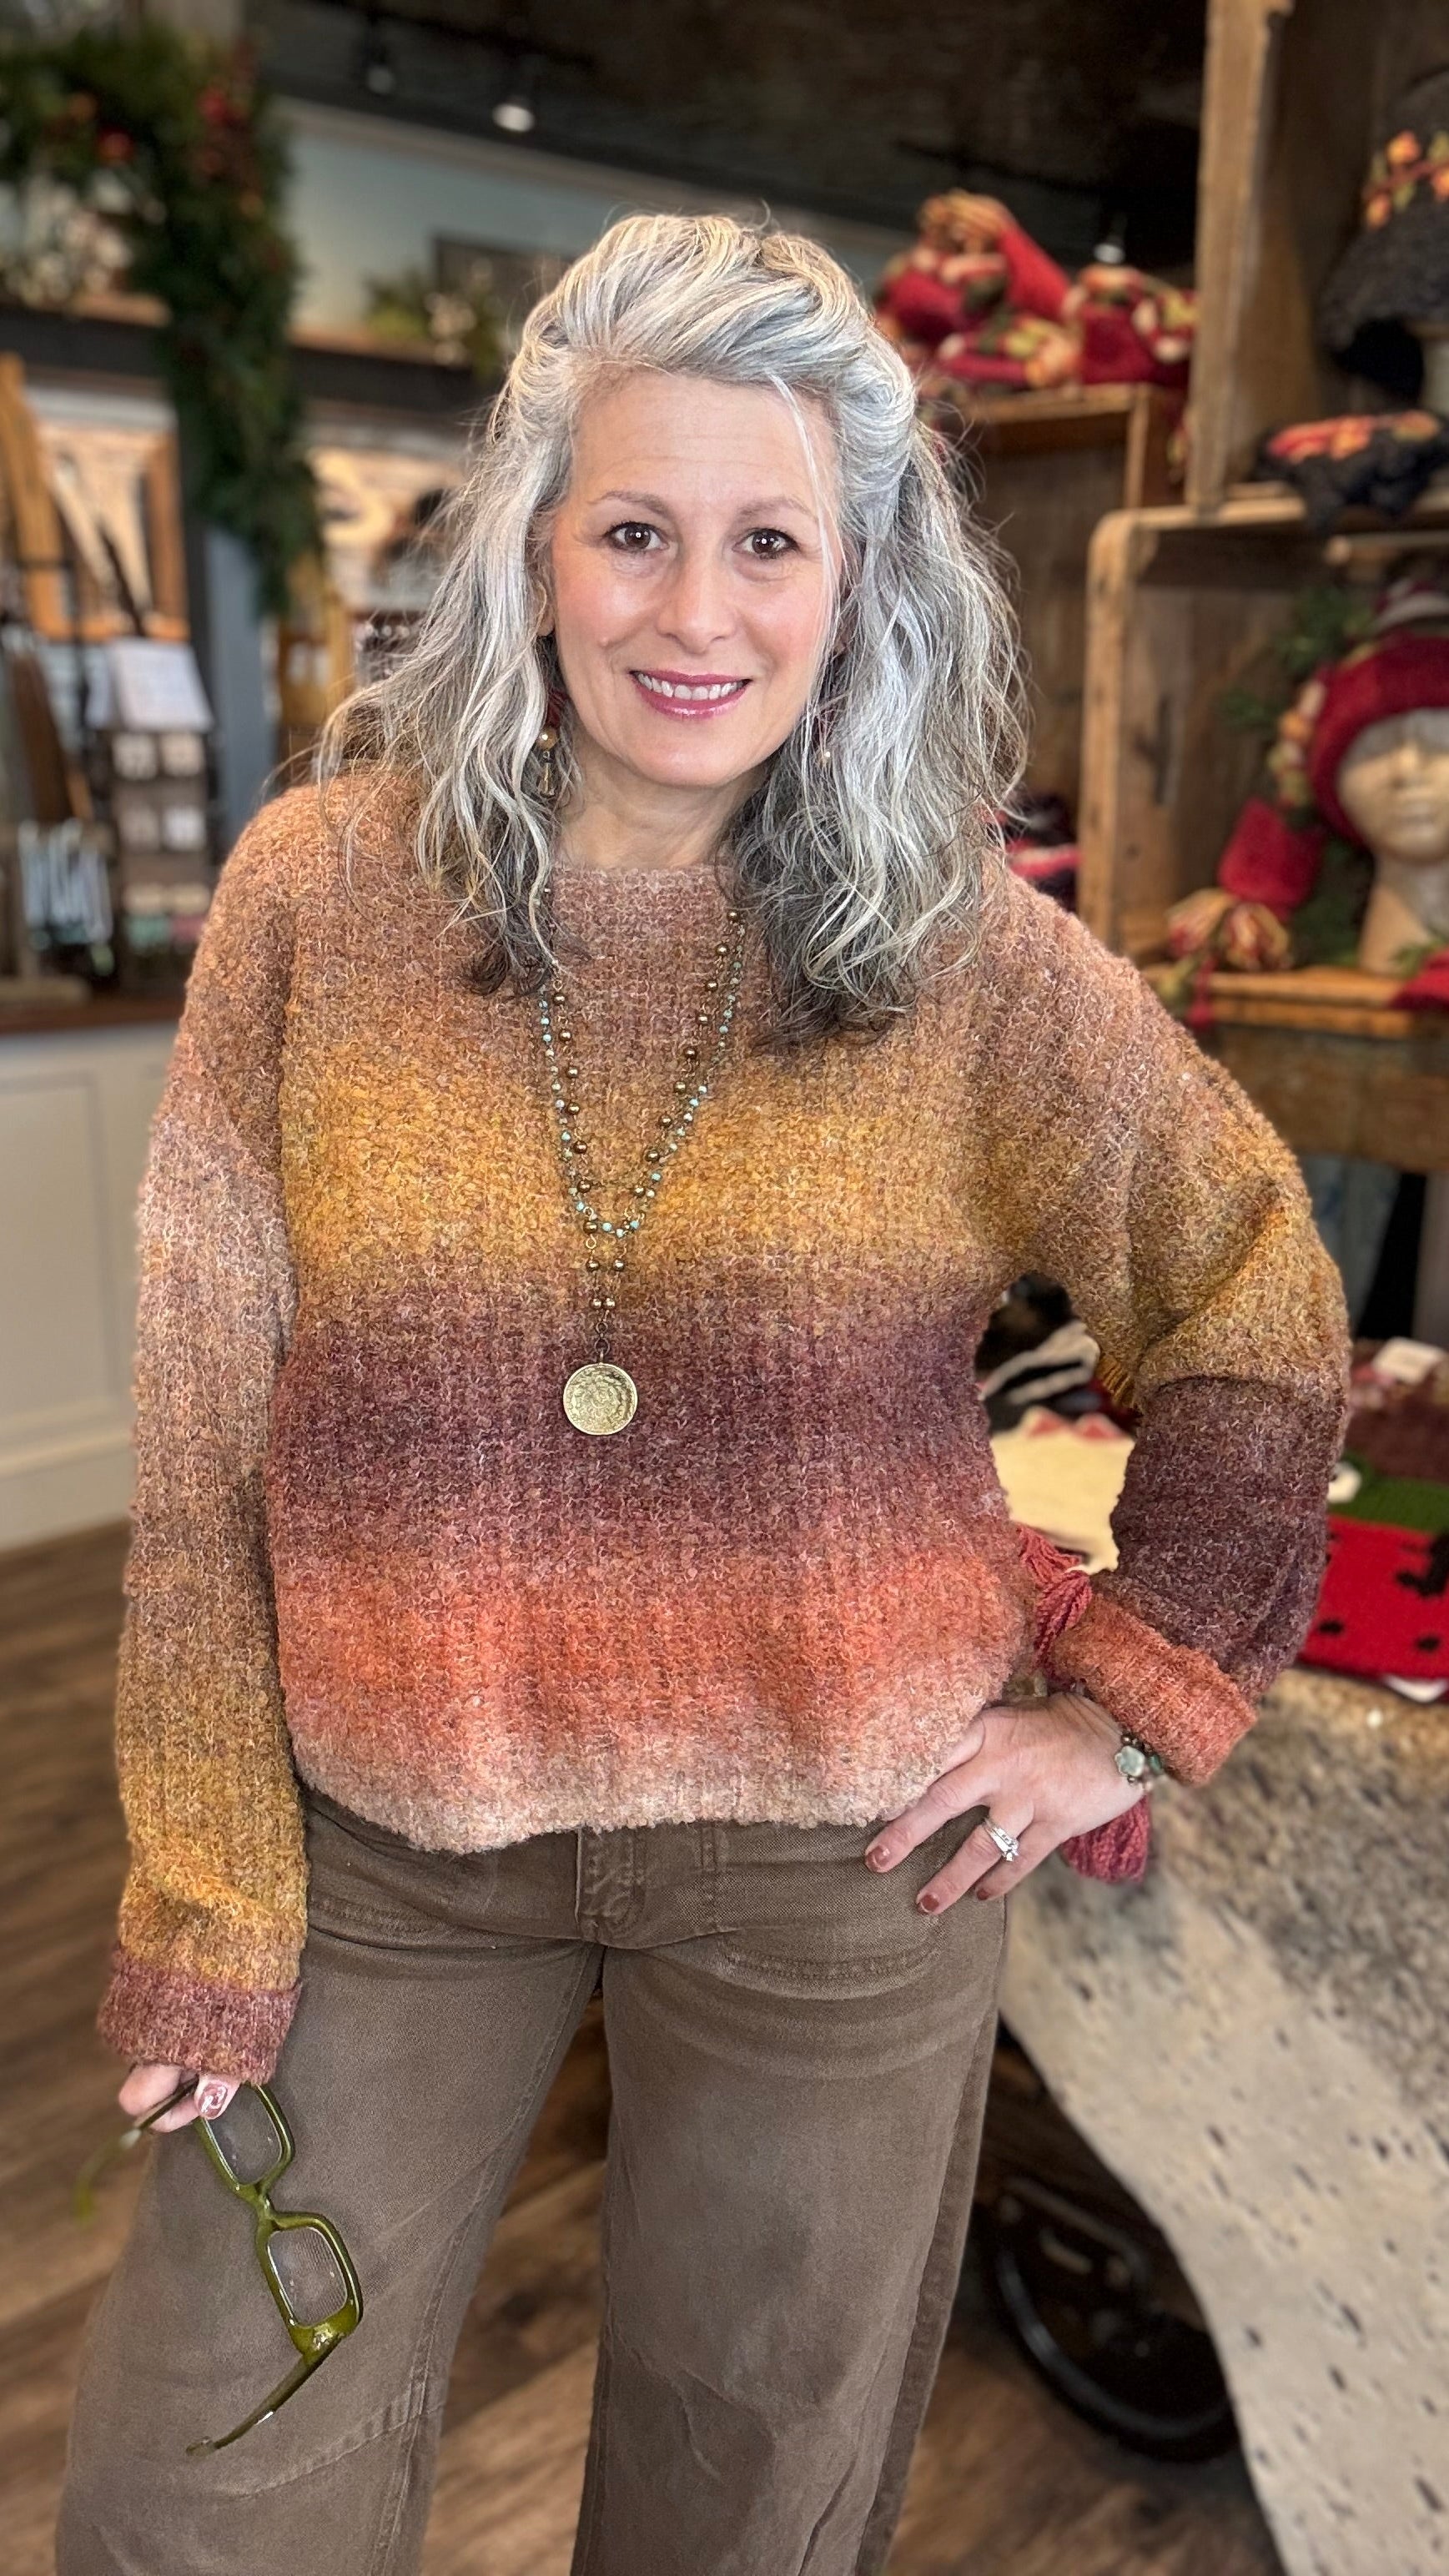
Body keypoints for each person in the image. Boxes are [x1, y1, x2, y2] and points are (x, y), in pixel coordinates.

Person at [58, 213, 1349, 2575]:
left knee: (754, 2494)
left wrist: (1134, 1700)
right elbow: (205, 1435)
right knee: (199, 2481)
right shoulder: (317, 902)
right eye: (634, 531)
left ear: (854, 584)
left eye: (768, 544)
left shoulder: (972, 961)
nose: (694, 613)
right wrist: (211, 1887)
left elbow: (1259, 1291)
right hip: (392, 1831)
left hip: (829, 1859)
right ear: (530, 549)